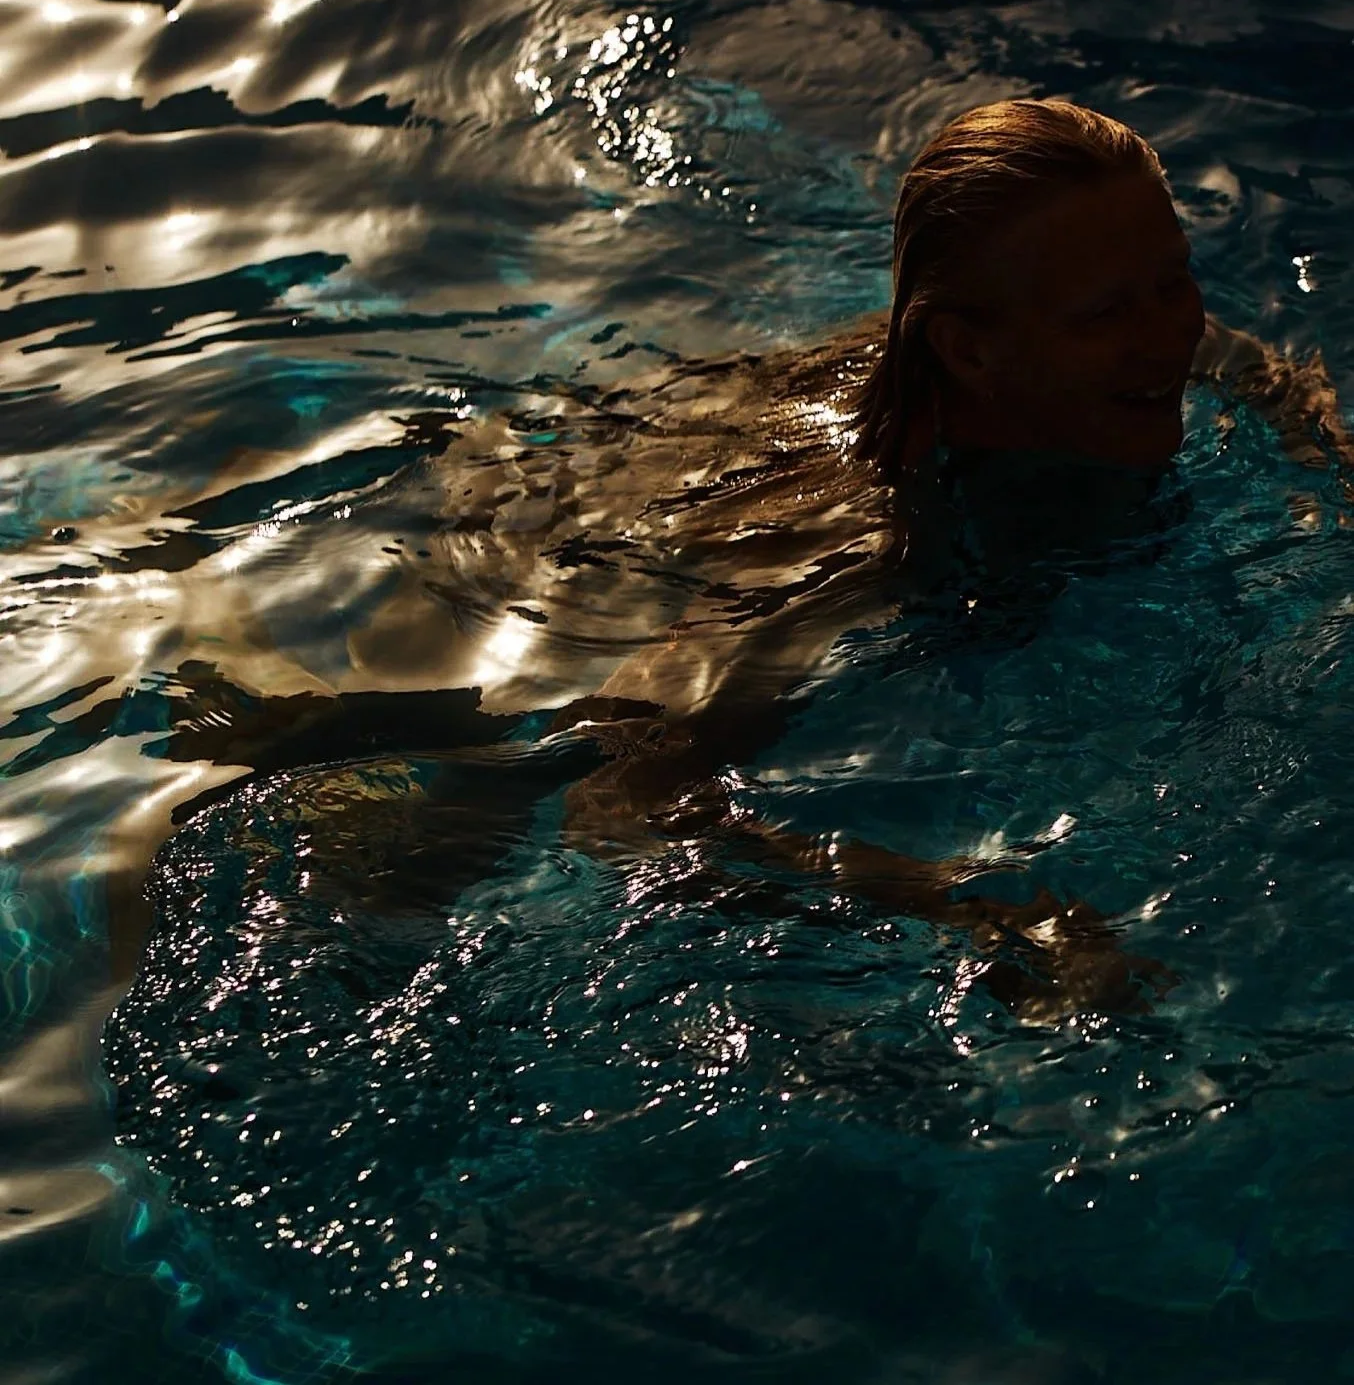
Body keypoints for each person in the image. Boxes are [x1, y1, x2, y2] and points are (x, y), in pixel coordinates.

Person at [126, 98, 1353, 1015]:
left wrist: (1324, 441)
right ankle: (183, 600)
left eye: (1174, 277)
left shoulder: (1024, 337)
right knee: (383, 877)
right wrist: (969, 911)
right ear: (970, 352)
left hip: (619, 468)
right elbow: (626, 809)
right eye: (1108, 313)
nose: (1171, 327)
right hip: (499, 578)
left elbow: (1226, 350)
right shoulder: (866, 552)